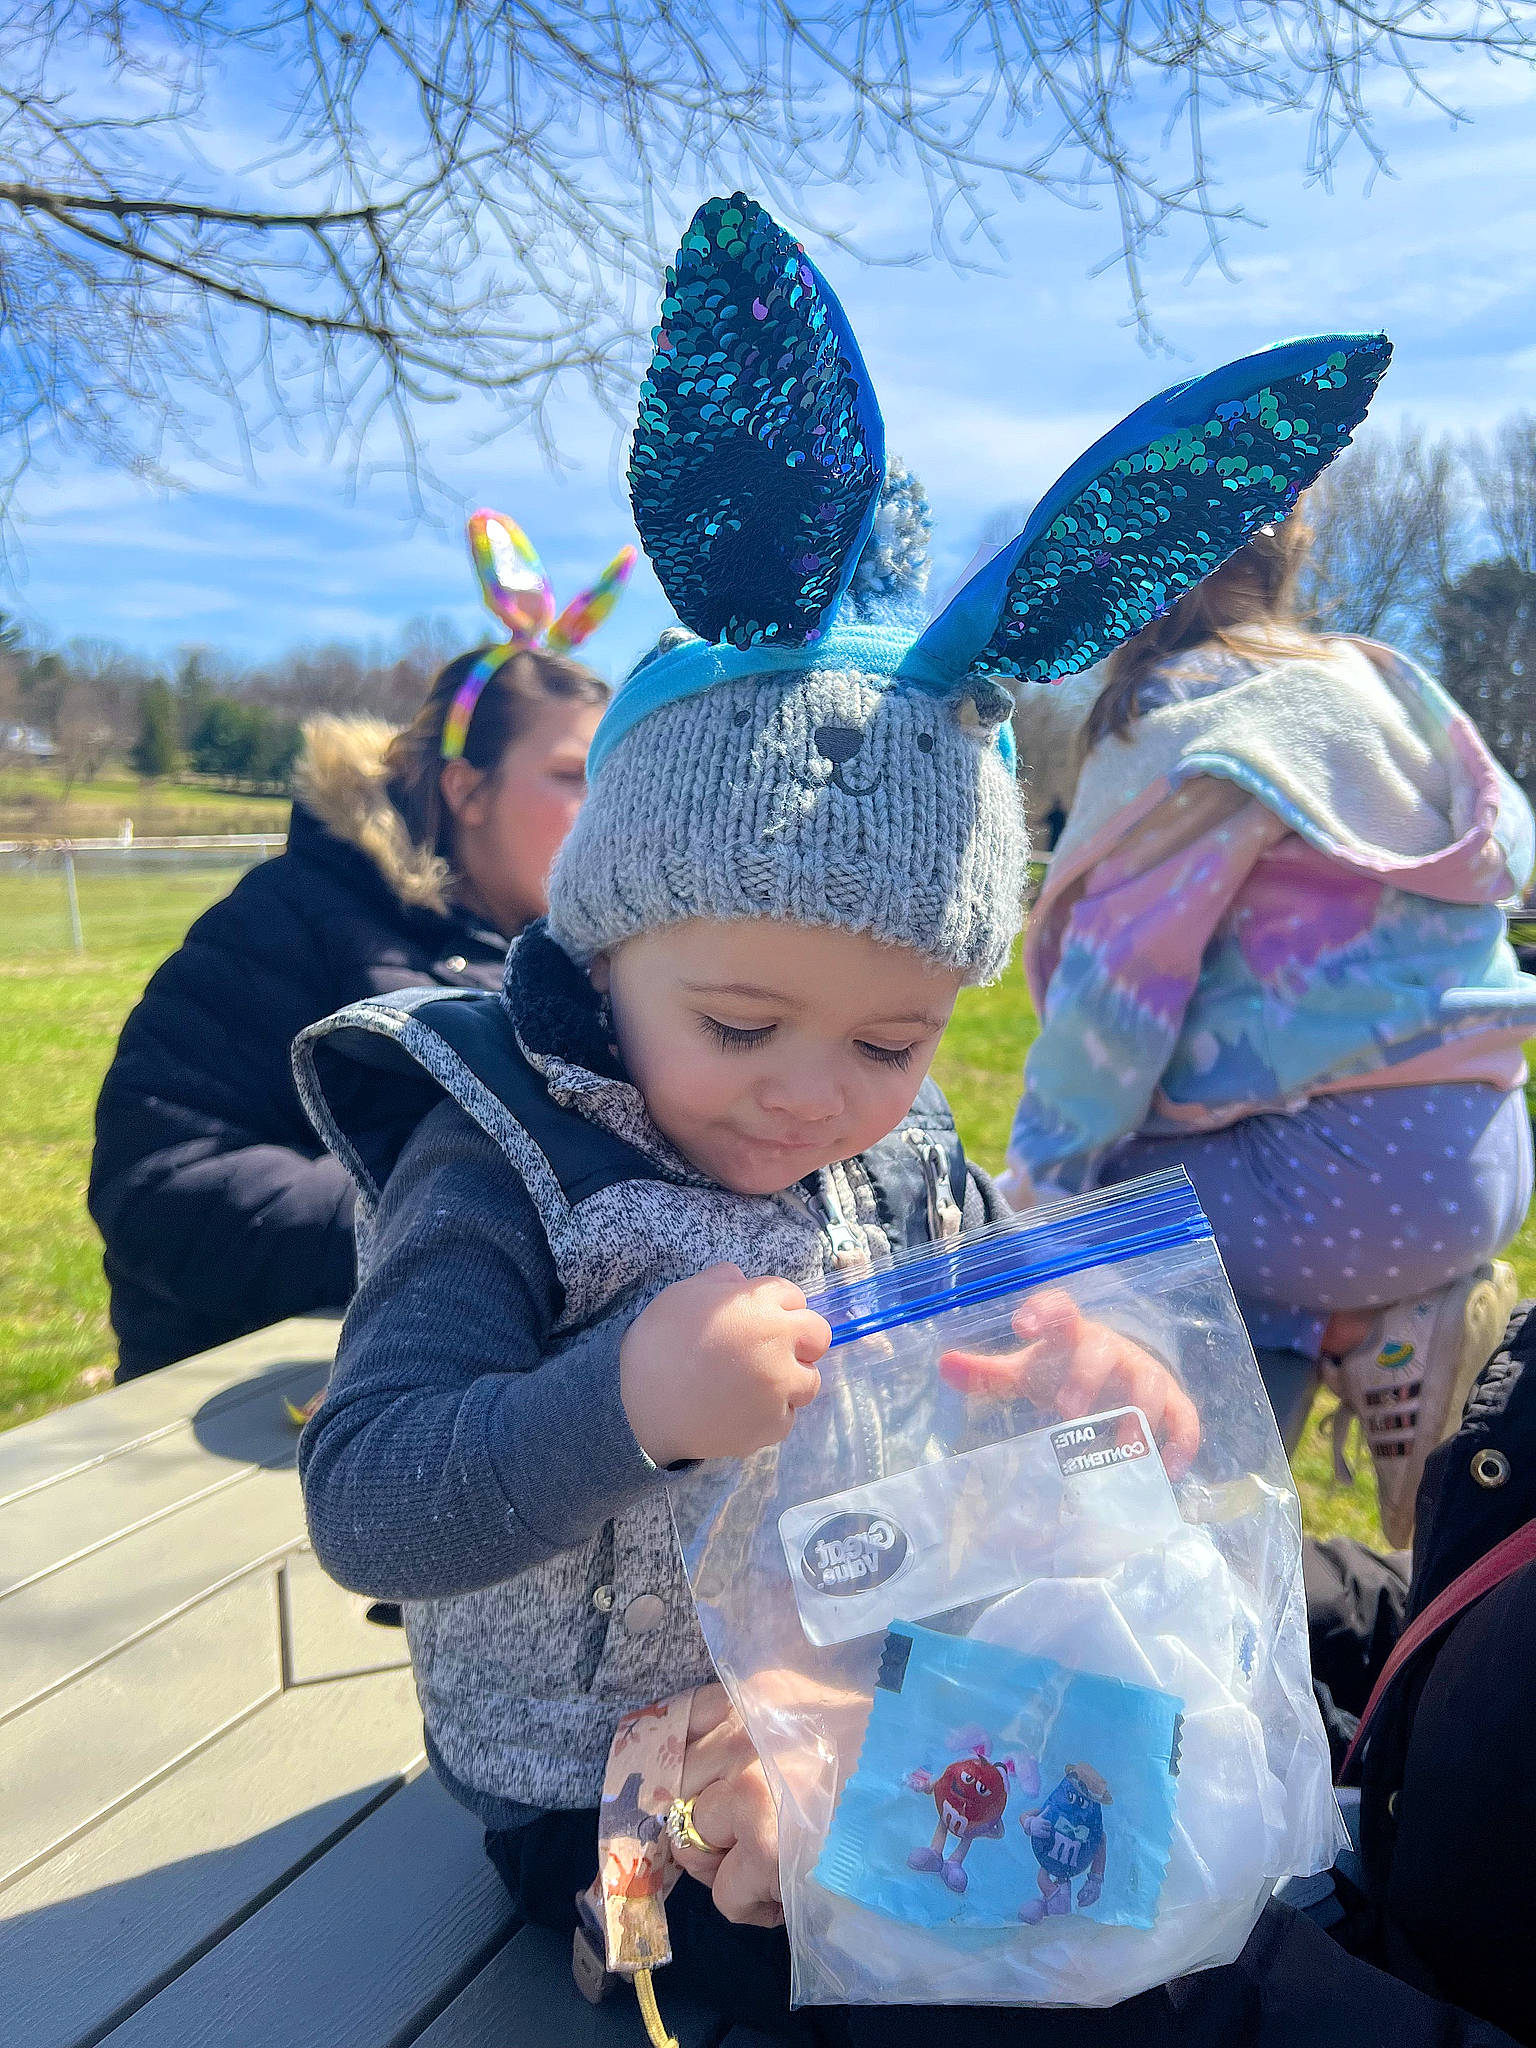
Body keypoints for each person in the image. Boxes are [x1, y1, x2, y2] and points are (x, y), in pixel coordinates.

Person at [291, 199, 1512, 2044]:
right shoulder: (507, 1161)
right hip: (628, 1795)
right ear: (610, 938)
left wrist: (1072, 1375)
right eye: (739, 1021)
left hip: (880, 1688)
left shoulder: (892, 1140)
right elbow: (373, 1495)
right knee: (991, 1975)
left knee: (1157, 1846)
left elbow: (958, 1373)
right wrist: (621, 1397)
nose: (813, 1092)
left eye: (894, 1039)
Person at [1004, 514, 1536, 1543]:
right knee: (1183, 1221)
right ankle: (1375, 1327)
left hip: (1336, 1180)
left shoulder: (1185, 721)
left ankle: (1188, 1514)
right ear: (1292, 554)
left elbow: (1115, 1002)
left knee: (1109, 1223)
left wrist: (1036, 1198)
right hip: (1483, 1138)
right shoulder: (1374, 687)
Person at [89, 511, 629, 1378]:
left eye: (612, 778)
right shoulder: (286, 924)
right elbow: (160, 1184)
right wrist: (449, 1217)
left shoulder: (571, 963)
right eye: (571, 776)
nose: (602, 808)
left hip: (485, 1390)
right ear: (467, 789)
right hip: (253, 1398)